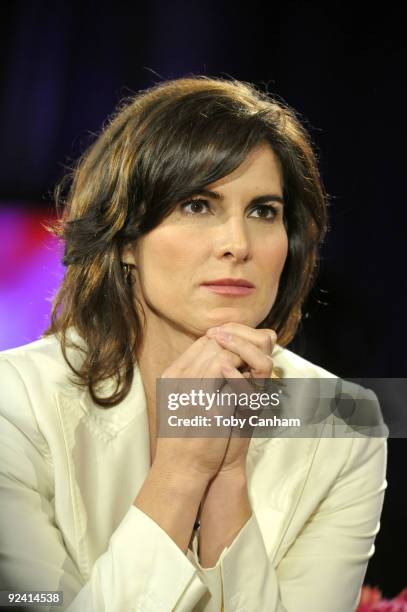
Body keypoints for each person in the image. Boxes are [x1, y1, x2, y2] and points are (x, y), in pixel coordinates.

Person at [0, 76, 387, 612]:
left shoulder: (345, 422)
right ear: (126, 238)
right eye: (198, 205)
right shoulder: (14, 401)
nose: (237, 244)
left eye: (263, 211)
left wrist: (228, 478)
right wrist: (182, 470)